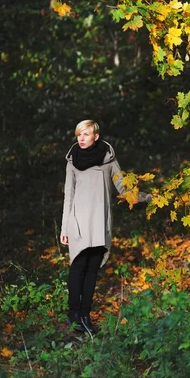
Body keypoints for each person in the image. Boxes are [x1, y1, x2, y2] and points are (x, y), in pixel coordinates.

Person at [60, 120, 136, 335]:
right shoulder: (72, 160)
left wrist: (149, 197)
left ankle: (86, 315)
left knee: (92, 270)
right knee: (78, 267)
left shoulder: (108, 160)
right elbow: (69, 196)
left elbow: (123, 189)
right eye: (78, 135)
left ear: (96, 136)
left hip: (99, 222)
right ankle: (74, 316)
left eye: (85, 134)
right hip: (78, 223)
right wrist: (64, 228)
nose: (81, 139)